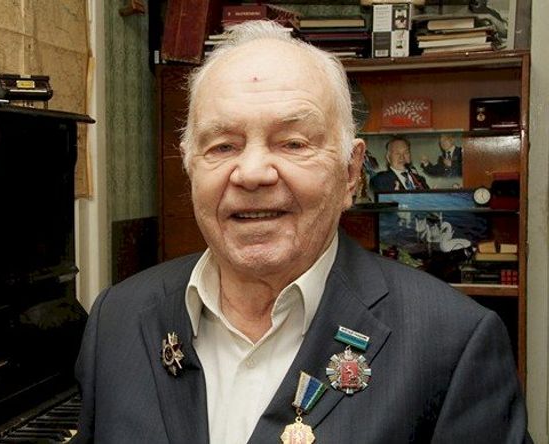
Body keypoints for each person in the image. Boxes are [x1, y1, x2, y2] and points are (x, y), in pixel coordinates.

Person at [71, 21, 530, 443]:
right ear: (190, 166)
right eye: (223, 146)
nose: (252, 173)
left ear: (351, 173)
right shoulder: (117, 320)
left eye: (293, 143)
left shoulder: (453, 342)